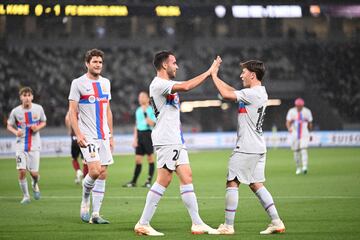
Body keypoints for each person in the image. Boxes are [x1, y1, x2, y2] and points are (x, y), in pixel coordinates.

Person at [134, 51, 221, 236]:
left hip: (175, 139)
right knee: (163, 180)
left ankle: (197, 223)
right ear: (164, 65)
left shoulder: (166, 84)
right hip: (166, 140)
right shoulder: (159, 84)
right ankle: (143, 223)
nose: (177, 66)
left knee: (187, 177)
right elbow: (188, 86)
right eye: (174, 62)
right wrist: (209, 72)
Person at [210, 59, 285, 235]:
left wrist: (213, 75)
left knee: (232, 181)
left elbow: (227, 95)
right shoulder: (258, 92)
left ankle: (228, 226)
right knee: (256, 184)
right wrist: (215, 76)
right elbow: (231, 91)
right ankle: (276, 221)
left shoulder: (253, 94)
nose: (241, 74)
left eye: (244, 72)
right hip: (258, 146)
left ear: (252, 74)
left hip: (246, 147)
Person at [68, 49, 114, 224]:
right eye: (94, 62)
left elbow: (108, 110)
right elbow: (72, 111)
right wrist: (78, 133)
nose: (98, 65)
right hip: (87, 135)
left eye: (100, 62)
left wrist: (111, 135)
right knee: (94, 171)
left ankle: (96, 214)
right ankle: (85, 198)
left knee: (102, 174)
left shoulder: (106, 83)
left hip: (103, 135)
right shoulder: (78, 83)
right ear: (87, 63)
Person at [7, 87, 47, 204]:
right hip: (20, 145)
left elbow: (44, 122)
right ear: (21, 98)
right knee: (22, 171)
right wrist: (16, 132)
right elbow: (9, 125)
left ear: (32, 97)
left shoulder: (38, 109)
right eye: (24, 95)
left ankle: (34, 184)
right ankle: (26, 196)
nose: (27, 98)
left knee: (34, 174)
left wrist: (37, 128)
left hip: (34, 145)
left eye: (29, 95)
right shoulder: (15, 111)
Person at [123, 91, 156, 188]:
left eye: (142, 97)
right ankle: (134, 181)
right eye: (139, 97)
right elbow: (136, 125)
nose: (140, 99)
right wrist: (135, 139)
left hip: (148, 134)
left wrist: (146, 115)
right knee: (138, 160)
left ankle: (148, 181)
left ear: (147, 98)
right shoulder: (138, 110)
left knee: (150, 158)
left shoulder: (151, 110)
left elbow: (153, 124)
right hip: (140, 135)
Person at [286, 98, 313, 175]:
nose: (299, 107)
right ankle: (298, 167)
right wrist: (289, 128)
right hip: (294, 134)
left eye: (300, 106)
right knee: (296, 152)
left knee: (304, 149)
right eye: (297, 106)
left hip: (304, 133)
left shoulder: (307, 112)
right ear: (295, 105)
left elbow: (310, 123)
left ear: (302, 105)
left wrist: (310, 133)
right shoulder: (291, 112)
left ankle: (304, 167)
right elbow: (288, 122)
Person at [65, 111, 88, 184]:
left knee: (74, 158)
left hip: (75, 138)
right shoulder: (84, 110)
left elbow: (67, 119)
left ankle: (78, 171)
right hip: (83, 138)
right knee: (85, 160)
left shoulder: (72, 110)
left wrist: (69, 130)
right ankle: (85, 178)